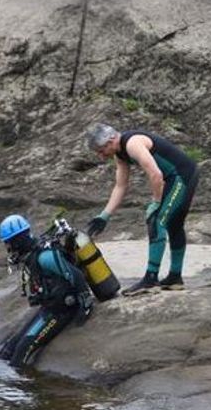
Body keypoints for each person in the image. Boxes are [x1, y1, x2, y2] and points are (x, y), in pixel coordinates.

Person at [85, 124, 199, 296]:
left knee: (157, 219)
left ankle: (150, 279)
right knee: (174, 225)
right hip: (178, 176)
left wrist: (156, 202)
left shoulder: (133, 143)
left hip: (181, 176)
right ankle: (175, 278)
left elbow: (155, 174)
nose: (101, 156)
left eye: (101, 151)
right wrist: (104, 216)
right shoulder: (120, 154)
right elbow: (120, 186)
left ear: (110, 141)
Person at [0, 214, 94, 368]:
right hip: (50, 307)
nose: (8, 248)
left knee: (22, 351)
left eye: (9, 243)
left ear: (18, 240)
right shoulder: (33, 254)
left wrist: (86, 306)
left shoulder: (45, 256)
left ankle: (17, 388)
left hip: (62, 310)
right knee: (7, 350)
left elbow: (77, 276)